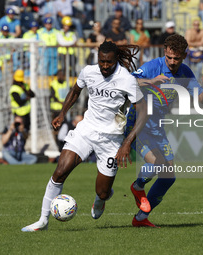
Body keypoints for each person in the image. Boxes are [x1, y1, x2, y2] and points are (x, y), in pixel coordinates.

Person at [21, 40, 147, 232]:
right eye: (102, 61)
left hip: (112, 139)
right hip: (86, 130)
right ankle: (43, 221)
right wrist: (63, 113)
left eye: (109, 63)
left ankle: (101, 199)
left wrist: (127, 143)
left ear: (116, 61)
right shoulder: (89, 71)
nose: (105, 66)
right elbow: (75, 91)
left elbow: (144, 112)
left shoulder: (126, 79)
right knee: (60, 171)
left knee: (102, 191)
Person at [125, 34, 203, 227]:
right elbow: (127, 84)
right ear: (164, 54)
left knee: (168, 177)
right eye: (169, 58)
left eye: (176, 58)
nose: (172, 62)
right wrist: (152, 81)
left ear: (184, 56)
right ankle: (137, 186)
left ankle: (140, 219)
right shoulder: (152, 66)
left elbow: (201, 101)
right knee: (158, 164)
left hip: (157, 128)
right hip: (138, 125)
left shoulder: (185, 72)